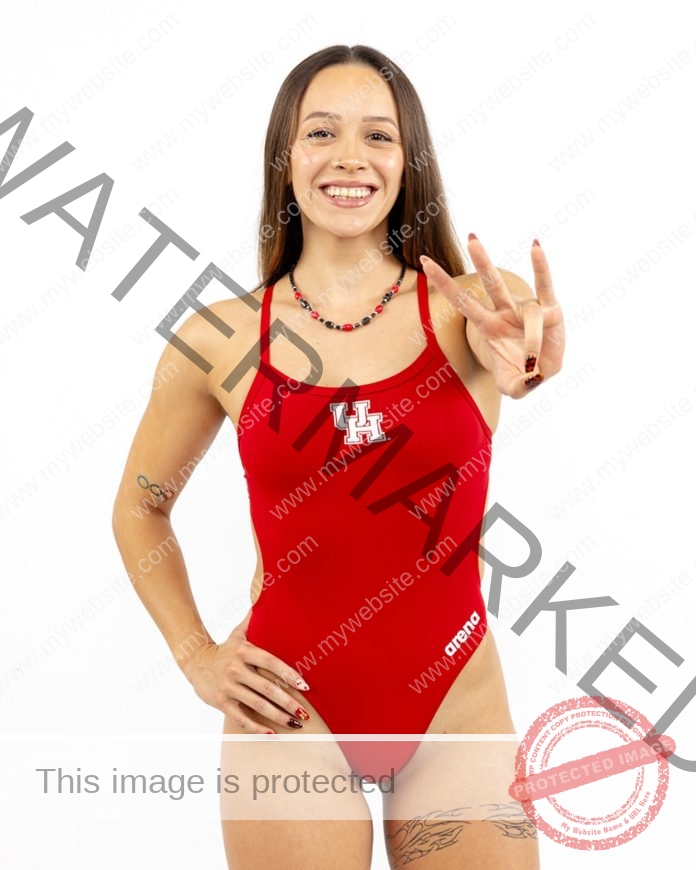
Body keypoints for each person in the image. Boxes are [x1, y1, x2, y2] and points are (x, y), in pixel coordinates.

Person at [112, 44, 564, 869]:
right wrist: (196, 655)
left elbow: (525, 351)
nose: (350, 157)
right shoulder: (218, 336)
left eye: (378, 137)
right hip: (287, 711)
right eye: (321, 132)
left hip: (454, 706)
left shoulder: (470, 309)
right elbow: (141, 507)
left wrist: (531, 358)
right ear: (286, 158)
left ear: (408, 160)